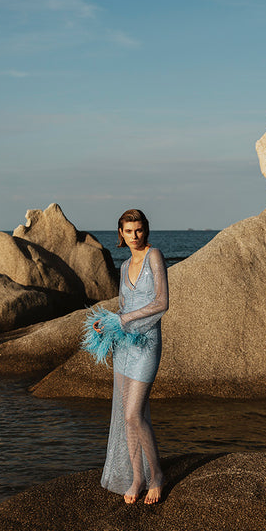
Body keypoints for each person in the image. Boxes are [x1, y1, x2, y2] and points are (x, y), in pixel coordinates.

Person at [93, 209, 169, 505]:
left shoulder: (155, 256)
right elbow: (124, 306)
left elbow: (162, 302)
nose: (135, 236)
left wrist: (124, 321)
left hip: (147, 343)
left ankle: (157, 476)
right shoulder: (124, 266)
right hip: (124, 344)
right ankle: (137, 478)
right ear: (120, 233)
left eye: (139, 230)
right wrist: (109, 322)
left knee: (133, 414)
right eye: (129, 231)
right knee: (127, 418)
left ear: (145, 230)